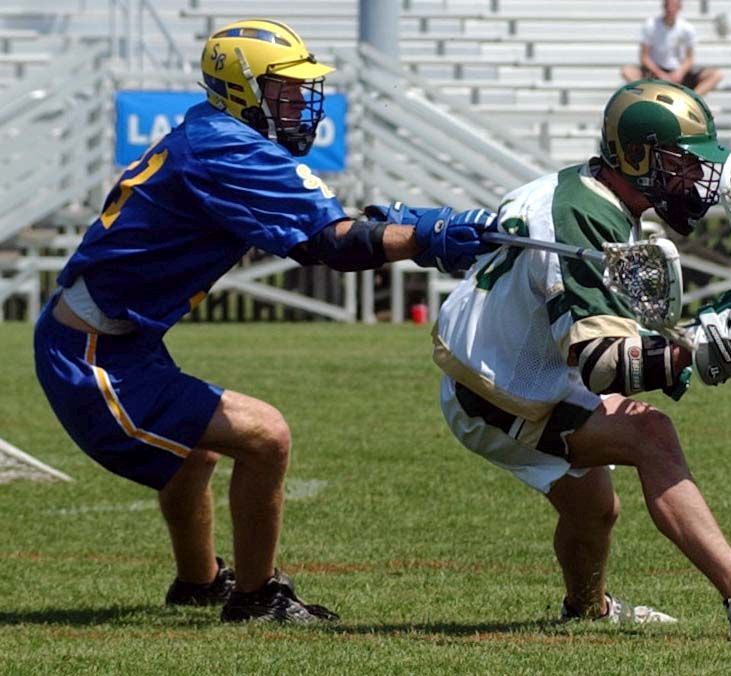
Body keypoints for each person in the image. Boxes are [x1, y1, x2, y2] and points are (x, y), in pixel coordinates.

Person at [33, 19, 494, 625]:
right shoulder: (226, 146)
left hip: (115, 340)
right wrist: (425, 238)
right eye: (286, 89)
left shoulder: (212, 132)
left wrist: (400, 227)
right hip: (91, 354)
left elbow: (330, 231)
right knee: (265, 435)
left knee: (196, 454)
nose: (301, 103)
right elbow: (331, 244)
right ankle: (257, 597)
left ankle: (198, 583)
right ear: (241, 88)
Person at [428, 80, 731, 640]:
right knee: (651, 435)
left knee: (594, 510)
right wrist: (705, 344)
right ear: (635, 157)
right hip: (497, 388)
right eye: (680, 163)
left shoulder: (593, 196)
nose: (694, 178)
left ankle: (587, 610)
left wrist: (693, 339)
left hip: (508, 366)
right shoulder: (584, 218)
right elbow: (603, 364)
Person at [621, 0, 723, 96]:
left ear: (679, 7)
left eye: (674, 5)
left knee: (716, 75)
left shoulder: (687, 28)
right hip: (655, 73)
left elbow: (690, 59)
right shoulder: (651, 25)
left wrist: (679, 72)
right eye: (668, 5)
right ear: (664, 6)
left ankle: (690, 100)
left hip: (680, 73)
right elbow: (644, 57)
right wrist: (660, 74)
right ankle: (648, 96)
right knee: (627, 71)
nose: (671, 9)